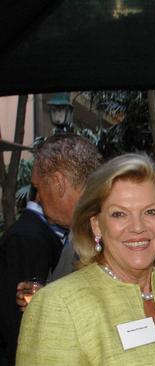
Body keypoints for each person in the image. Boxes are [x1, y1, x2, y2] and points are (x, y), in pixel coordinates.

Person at [15, 153, 155, 365]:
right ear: (96, 225)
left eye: (150, 212)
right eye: (119, 214)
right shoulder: (59, 305)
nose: (138, 227)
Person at [0, 133, 101, 364]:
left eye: (38, 187)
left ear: (58, 182)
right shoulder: (80, 231)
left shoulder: (110, 230)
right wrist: (45, 299)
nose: (38, 199)